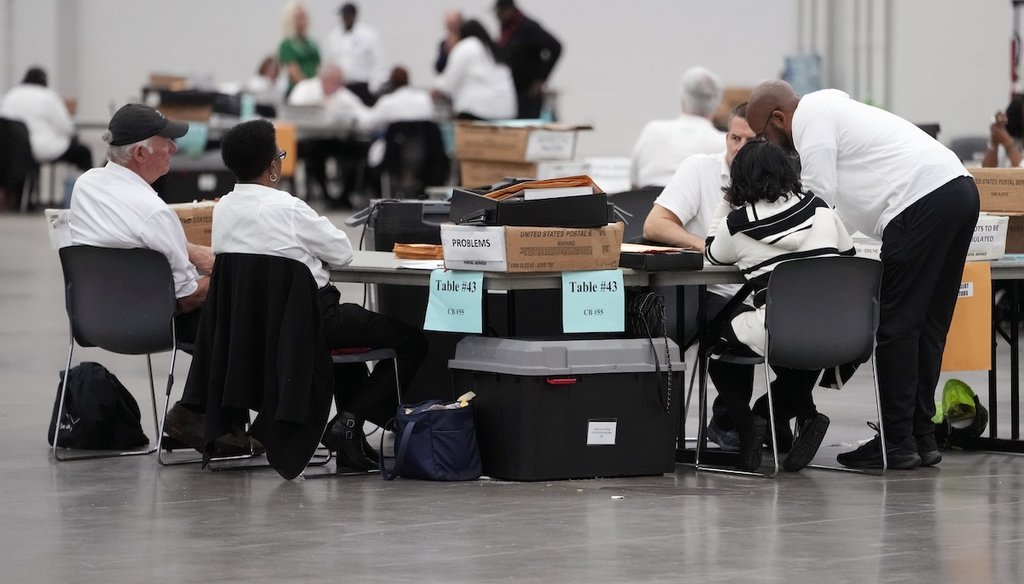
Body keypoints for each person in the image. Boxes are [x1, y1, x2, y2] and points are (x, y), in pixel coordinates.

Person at [747, 80, 980, 470]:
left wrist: (769, 236)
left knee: (896, 329)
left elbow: (819, 200)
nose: (766, 145)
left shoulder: (811, 116)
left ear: (778, 117)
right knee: (927, 326)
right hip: (957, 191)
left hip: (918, 203)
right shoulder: (835, 111)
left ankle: (896, 443)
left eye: (763, 135)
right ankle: (921, 438)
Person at [212, 119, 428, 470]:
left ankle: (350, 440)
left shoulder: (221, 209)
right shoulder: (289, 208)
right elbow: (341, 252)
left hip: (257, 332)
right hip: (314, 322)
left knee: (347, 340)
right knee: (412, 341)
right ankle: (351, 421)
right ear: (272, 166)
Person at [703, 140, 853, 472]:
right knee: (797, 349)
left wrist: (725, 204)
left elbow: (711, 254)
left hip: (780, 329)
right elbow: (849, 258)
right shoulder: (820, 208)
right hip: (840, 328)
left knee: (716, 346)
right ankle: (806, 414)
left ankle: (747, 425)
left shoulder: (738, 224)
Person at [642, 102, 756, 452]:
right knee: (737, 320)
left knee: (802, 323)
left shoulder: (776, 177)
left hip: (758, 287)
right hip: (701, 290)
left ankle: (770, 416)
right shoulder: (700, 169)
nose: (739, 147)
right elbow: (654, 225)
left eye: (749, 141)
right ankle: (736, 423)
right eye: (734, 137)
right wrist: (706, 247)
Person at [68, 104, 212, 344]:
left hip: (95, 318)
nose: (174, 148)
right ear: (140, 153)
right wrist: (232, 270)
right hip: (153, 325)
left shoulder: (85, 185)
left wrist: (191, 251)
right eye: (166, 141)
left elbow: (127, 234)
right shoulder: (154, 212)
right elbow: (186, 299)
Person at [630, 66, 726, 188]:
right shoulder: (724, 144)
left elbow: (633, 186)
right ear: (717, 103)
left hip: (644, 206)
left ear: (683, 97)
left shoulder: (652, 131)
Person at [288, 65, 369, 207]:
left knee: (358, 150)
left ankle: (344, 195)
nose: (336, 86)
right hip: (308, 140)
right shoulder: (305, 89)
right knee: (315, 155)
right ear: (323, 78)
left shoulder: (343, 95)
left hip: (334, 138)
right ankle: (325, 195)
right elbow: (293, 113)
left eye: (339, 82)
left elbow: (363, 114)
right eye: (333, 81)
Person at [0, 67, 92, 172]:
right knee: (83, 152)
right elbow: (66, 127)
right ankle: (89, 185)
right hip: (42, 149)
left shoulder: (10, 94)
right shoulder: (48, 96)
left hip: (12, 150)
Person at [433, 19, 516, 121]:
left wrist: (436, 87)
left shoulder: (465, 47)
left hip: (476, 112)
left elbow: (448, 84)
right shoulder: (492, 49)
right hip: (505, 112)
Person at [494, 0, 562, 119]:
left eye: (500, 13)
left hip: (527, 93)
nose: (498, 17)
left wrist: (541, 78)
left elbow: (555, 47)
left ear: (509, 10)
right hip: (510, 91)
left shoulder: (528, 28)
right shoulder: (506, 31)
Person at [324, 2, 386, 106]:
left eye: (348, 15)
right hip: (341, 87)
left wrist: (374, 85)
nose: (345, 18)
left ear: (354, 15)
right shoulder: (334, 36)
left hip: (361, 85)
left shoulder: (368, 35)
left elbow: (378, 62)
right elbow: (329, 62)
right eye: (343, 15)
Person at [278, 1, 319, 98]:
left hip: (314, 90)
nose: (303, 21)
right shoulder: (288, 44)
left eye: (305, 17)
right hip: (297, 90)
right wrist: (307, 89)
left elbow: (318, 68)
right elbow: (293, 70)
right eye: (299, 17)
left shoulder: (312, 44)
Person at [981, 94, 1024, 168]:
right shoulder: (1005, 137)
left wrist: (1008, 142)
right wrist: (994, 141)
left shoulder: (1006, 139)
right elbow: (985, 171)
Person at [434, 10, 463, 74]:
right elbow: (439, 67)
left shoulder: (468, 43)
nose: (451, 27)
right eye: (449, 24)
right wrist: (447, 50)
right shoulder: (444, 44)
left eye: (454, 24)